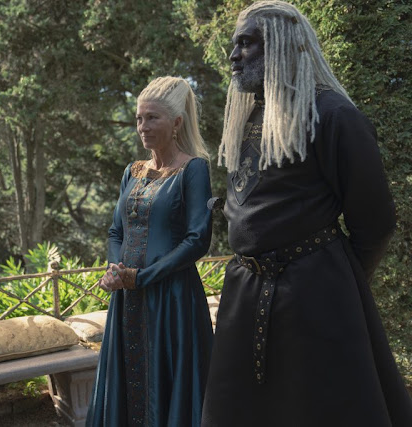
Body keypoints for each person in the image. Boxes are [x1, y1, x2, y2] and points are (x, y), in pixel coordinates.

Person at [201, 2, 412, 426]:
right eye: (234, 44)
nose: (234, 55)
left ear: (284, 44)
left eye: (247, 43)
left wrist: (331, 283)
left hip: (315, 298)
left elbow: (375, 223)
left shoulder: (333, 115)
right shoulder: (249, 116)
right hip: (244, 294)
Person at [86, 76, 214, 426]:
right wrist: (116, 270)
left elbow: (198, 239)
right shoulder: (132, 172)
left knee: (167, 390)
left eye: (152, 118)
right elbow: (116, 231)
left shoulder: (193, 169)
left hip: (173, 300)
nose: (142, 126)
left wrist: (141, 277)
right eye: (139, 118)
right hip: (127, 298)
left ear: (176, 123)